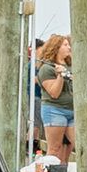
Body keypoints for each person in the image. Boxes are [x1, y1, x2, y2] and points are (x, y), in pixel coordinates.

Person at [34, 34, 76, 163]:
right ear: (56, 48)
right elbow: (54, 93)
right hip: (54, 110)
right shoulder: (46, 69)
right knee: (55, 149)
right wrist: (60, 76)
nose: (69, 47)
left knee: (71, 145)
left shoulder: (72, 67)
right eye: (65, 45)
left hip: (73, 111)